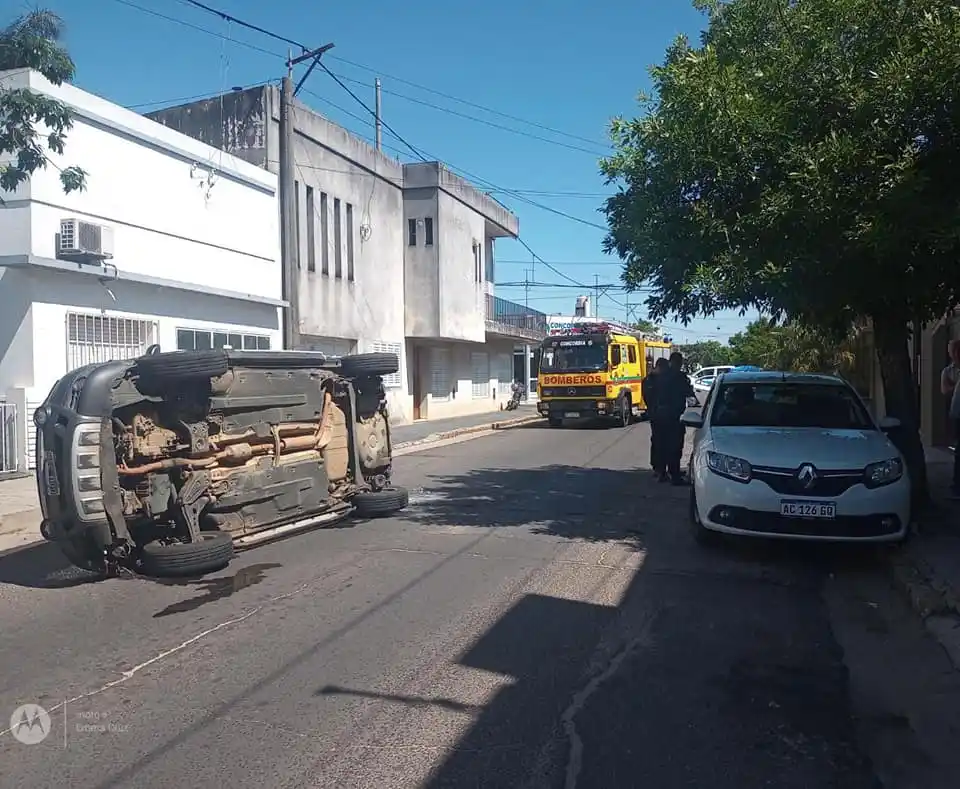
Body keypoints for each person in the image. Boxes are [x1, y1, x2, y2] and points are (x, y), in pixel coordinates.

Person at [653, 351, 696, 485]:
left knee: (662, 445)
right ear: (679, 363)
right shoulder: (680, 377)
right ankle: (675, 476)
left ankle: (662, 473)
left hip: (660, 415)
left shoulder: (660, 376)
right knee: (675, 446)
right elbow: (689, 393)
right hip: (674, 416)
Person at [642, 358, 669, 475]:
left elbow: (646, 398)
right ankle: (660, 468)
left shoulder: (648, 380)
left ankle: (657, 467)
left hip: (654, 414)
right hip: (660, 415)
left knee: (657, 440)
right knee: (661, 441)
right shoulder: (656, 380)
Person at [940, 339, 960, 498]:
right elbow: (945, 390)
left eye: (957, 350)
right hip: (956, 414)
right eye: (952, 351)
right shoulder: (947, 371)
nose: (955, 354)